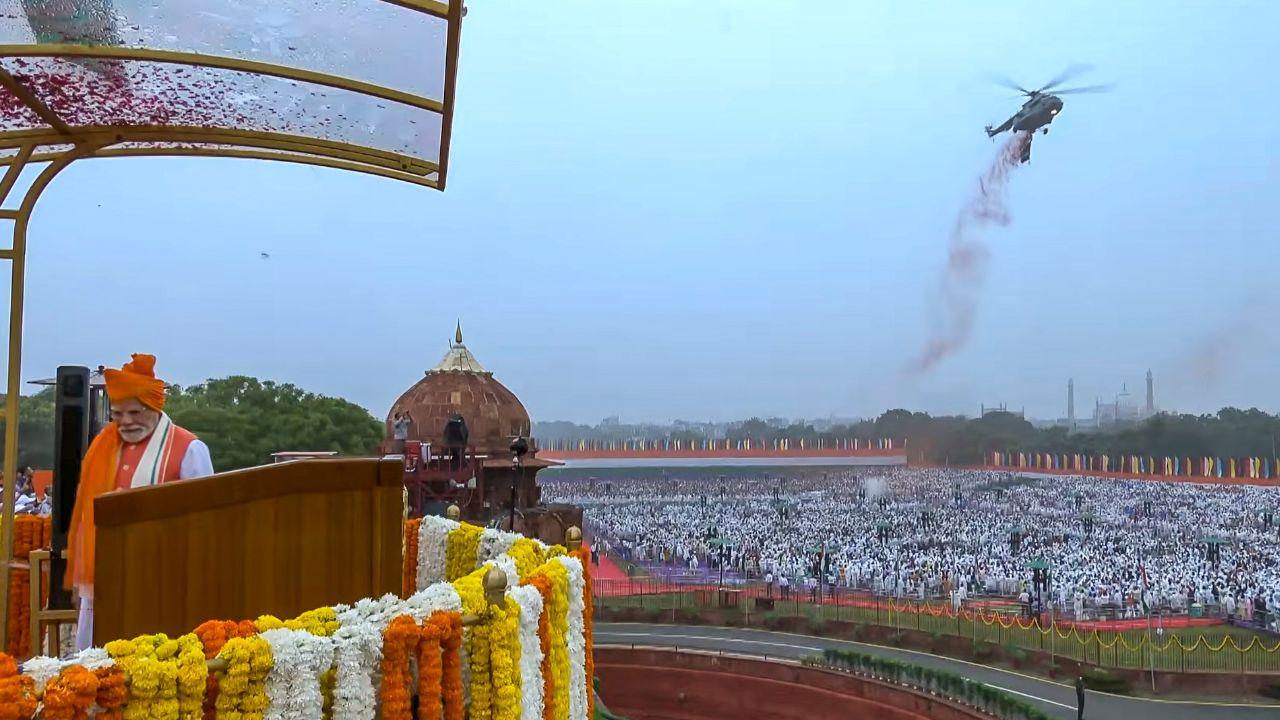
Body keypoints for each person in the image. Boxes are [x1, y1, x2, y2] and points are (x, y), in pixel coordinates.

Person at [66, 354, 215, 650]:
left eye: (134, 413)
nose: (126, 422)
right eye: (118, 414)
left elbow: (207, 522)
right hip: (105, 581)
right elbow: (87, 515)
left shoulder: (189, 449)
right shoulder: (102, 448)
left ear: (154, 407)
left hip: (163, 581)